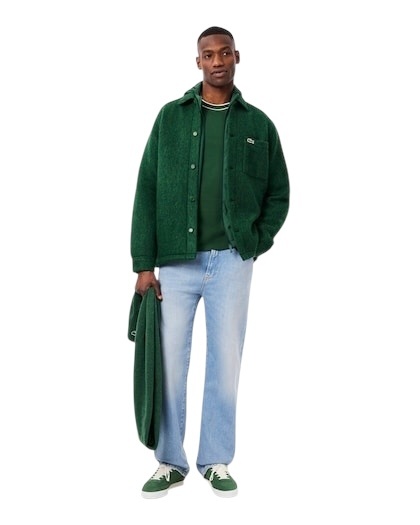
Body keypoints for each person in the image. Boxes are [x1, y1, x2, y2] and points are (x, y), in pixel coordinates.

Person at [130, 26, 290, 499]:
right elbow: (147, 188)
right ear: (197, 61)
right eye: (208, 54)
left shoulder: (259, 125)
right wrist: (144, 264)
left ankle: (215, 460)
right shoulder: (171, 118)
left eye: (224, 53)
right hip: (175, 264)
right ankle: (170, 462)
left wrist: (255, 241)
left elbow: (278, 192)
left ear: (237, 56)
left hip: (232, 262)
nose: (217, 61)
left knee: (225, 363)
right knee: (168, 364)